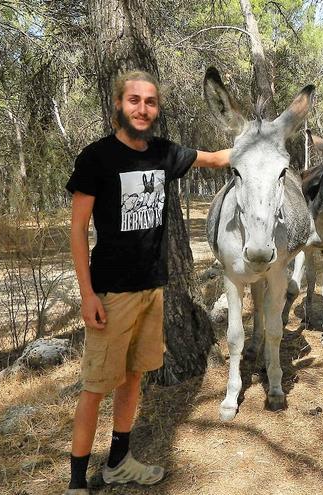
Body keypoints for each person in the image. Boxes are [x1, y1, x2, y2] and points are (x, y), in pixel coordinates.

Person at [64, 70, 230, 494]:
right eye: (134, 100)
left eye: (150, 102)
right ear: (118, 104)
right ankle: (77, 483)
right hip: (111, 293)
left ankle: (119, 463)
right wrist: (87, 295)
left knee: (134, 377)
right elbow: (78, 230)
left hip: (151, 289)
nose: (142, 108)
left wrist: (259, 142)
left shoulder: (163, 153)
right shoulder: (96, 159)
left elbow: (214, 158)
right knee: (95, 388)